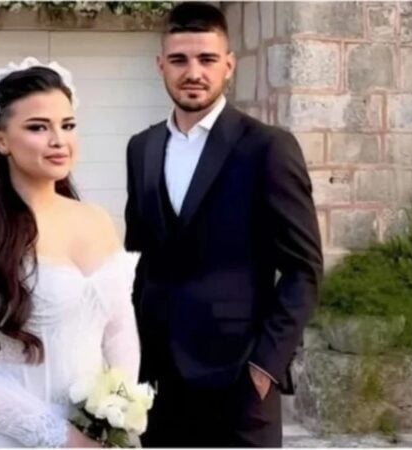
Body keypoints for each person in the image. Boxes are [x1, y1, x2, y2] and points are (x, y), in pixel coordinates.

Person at [124, 3, 323, 447]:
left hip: (239, 381)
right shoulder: (142, 148)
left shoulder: (268, 147)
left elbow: (304, 269)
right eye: (179, 60)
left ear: (228, 65)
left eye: (207, 59)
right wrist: (129, 354)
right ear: (161, 65)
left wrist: (265, 366)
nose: (193, 72)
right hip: (158, 381)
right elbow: (138, 259)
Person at [0, 58, 140, 447]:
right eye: (38, 127)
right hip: (10, 434)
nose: (59, 140)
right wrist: (57, 437)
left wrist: (119, 412)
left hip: (94, 436)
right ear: (0, 140)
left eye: (67, 125)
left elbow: (120, 328)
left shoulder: (97, 220)